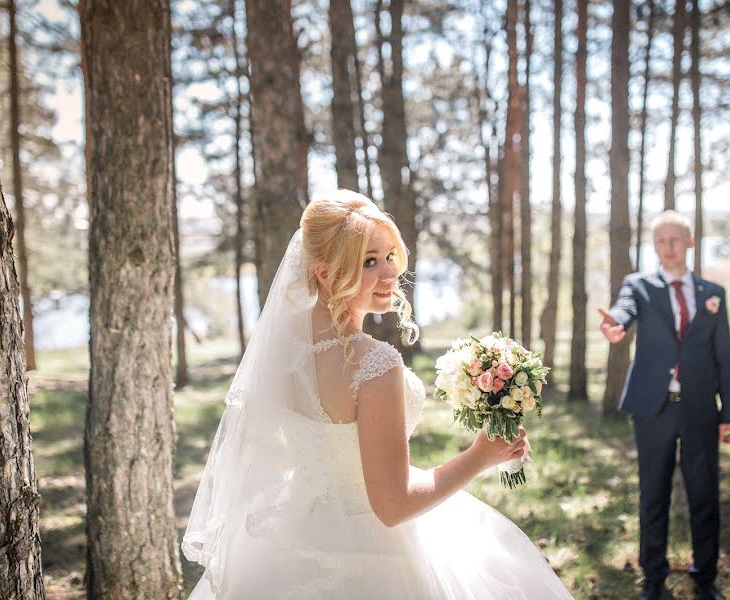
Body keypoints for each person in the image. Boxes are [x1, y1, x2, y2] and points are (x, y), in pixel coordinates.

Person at [182, 190, 573, 599]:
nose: (390, 275)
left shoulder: (278, 351)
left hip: (296, 533)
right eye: (369, 262)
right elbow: (392, 506)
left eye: (390, 257)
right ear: (324, 272)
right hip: (379, 554)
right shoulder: (375, 365)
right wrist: (479, 456)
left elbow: (294, 451)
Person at [597, 210, 730, 600]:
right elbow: (623, 309)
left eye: (675, 239)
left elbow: (723, 356)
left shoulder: (712, 294)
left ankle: (705, 577)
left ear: (690, 242)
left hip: (699, 408)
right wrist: (617, 325)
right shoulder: (638, 285)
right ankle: (653, 577)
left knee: (704, 494)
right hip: (653, 408)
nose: (668, 247)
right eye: (660, 241)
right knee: (653, 493)